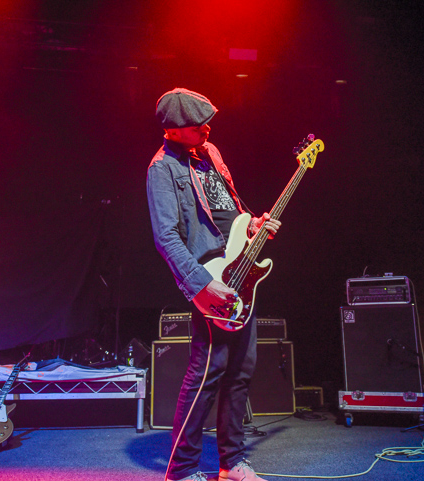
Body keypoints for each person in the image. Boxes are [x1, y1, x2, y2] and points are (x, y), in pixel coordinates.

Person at [147, 88, 280, 481]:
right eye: (197, 126)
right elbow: (166, 237)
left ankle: (231, 463)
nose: (206, 130)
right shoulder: (162, 169)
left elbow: (229, 211)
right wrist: (202, 284)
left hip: (242, 270)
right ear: (173, 131)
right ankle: (182, 470)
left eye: (208, 122)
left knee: (240, 371)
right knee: (207, 373)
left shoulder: (210, 152)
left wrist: (253, 224)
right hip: (211, 278)